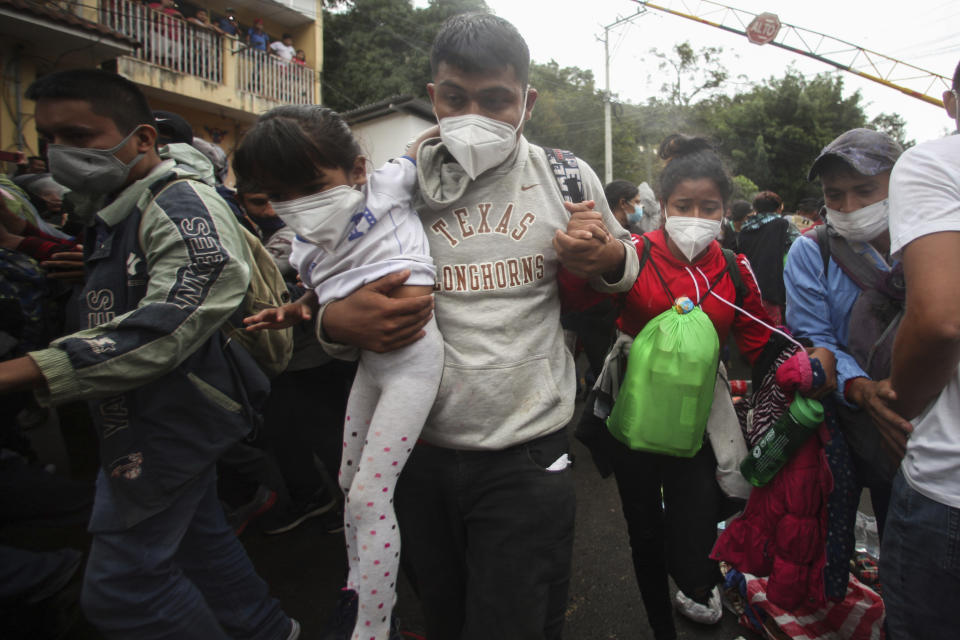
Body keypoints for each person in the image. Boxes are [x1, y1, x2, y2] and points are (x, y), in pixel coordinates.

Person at [315, 13, 637, 639]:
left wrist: (606, 258)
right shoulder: (392, 188)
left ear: (527, 102)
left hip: (528, 453)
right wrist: (335, 323)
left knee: (514, 622)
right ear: (434, 96)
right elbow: (332, 285)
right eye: (457, 98)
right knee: (444, 612)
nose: (474, 116)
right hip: (413, 454)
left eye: (496, 101)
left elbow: (626, 261)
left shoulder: (564, 176)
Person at [0, 69, 298, 640]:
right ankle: (266, 628)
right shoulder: (113, 209)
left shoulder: (184, 207)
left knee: (124, 588)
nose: (62, 152)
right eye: (51, 138)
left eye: (80, 136)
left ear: (141, 139)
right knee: (200, 540)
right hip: (139, 413)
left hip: (171, 417)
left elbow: (171, 321)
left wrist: (29, 369)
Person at [236, 105, 443, 640]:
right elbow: (325, 283)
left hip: (413, 361)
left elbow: (423, 147)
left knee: (370, 495)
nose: (297, 205)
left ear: (355, 169)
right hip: (370, 368)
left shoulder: (383, 188)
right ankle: (360, 588)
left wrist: (461, 123)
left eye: (309, 185)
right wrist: (296, 307)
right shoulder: (305, 244)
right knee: (351, 482)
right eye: (279, 194)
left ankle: (371, 627)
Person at [563, 135, 773, 639]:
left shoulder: (733, 268)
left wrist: (800, 368)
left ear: (724, 210)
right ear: (663, 206)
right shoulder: (632, 255)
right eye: (684, 205)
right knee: (644, 532)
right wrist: (586, 254)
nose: (696, 216)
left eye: (709, 207)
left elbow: (761, 339)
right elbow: (583, 290)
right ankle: (661, 626)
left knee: (697, 522)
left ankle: (697, 583)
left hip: (699, 425)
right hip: (633, 422)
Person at [784, 128, 904, 536]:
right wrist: (864, 390)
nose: (849, 207)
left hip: (932, 420)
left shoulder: (930, 244)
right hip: (849, 419)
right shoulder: (810, 251)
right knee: (831, 530)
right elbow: (817, 339)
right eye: (835, 195)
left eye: (865, 190)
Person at [880, 59, 960, 639]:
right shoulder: (811, 250)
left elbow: (936, 321)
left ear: (950, 103)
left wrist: (898, 401)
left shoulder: (936, 163)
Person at [728, 190, 798, 324]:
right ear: (778, 208)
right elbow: (800, 247)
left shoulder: (744, 229)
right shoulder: (783, 225)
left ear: (756, 209)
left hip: (748, 290)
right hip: (772, 290)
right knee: (773, 333)